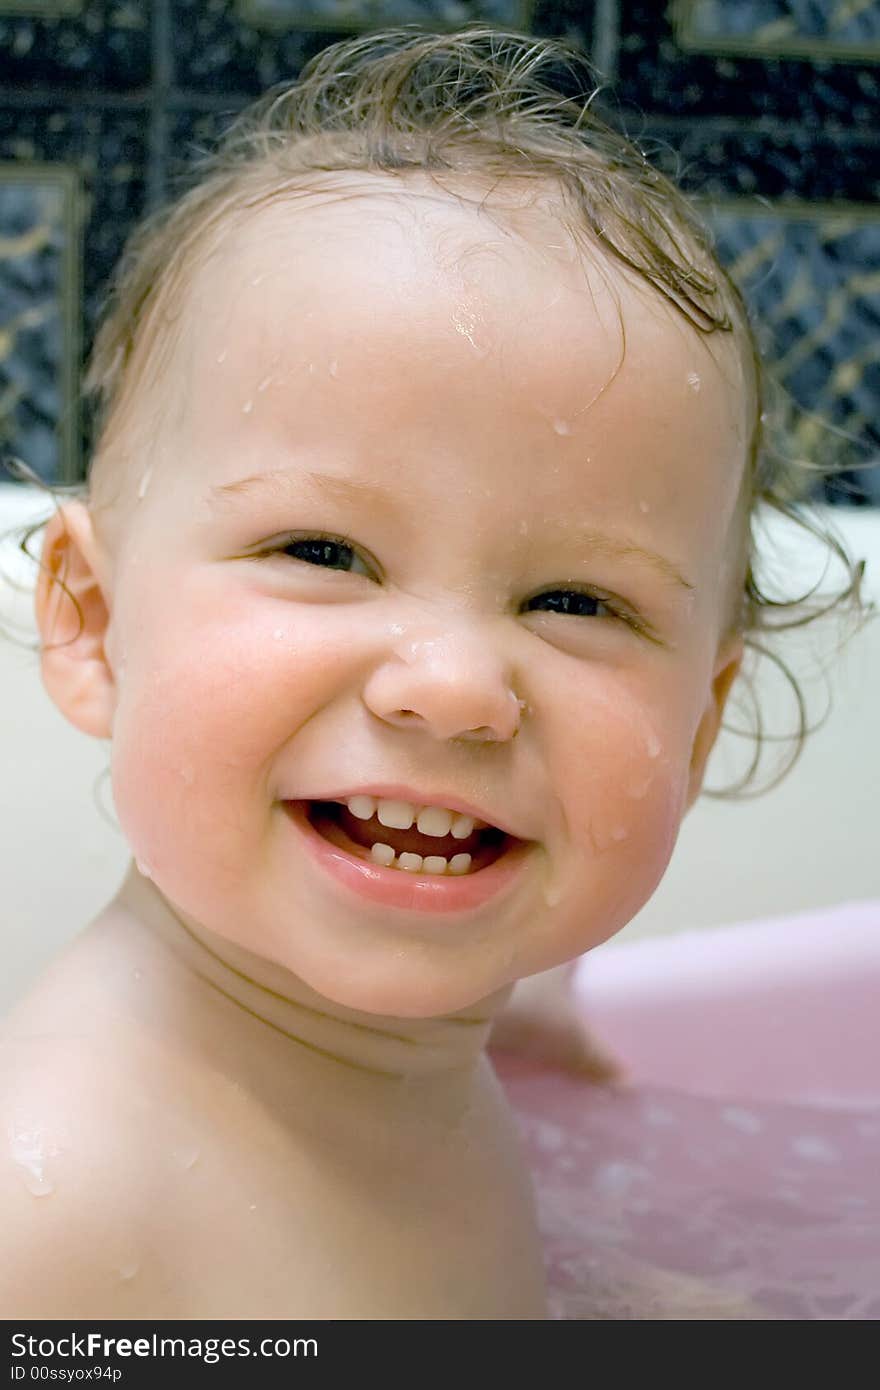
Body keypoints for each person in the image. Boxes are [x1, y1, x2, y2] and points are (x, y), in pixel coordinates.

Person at [0, 25, 868, 1319]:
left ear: (699, 729)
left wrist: (525, 1004)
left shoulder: (421, 993)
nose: (456, 686)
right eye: (326, 550)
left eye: (576, 599)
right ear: (90, 618)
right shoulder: (64, 1202)